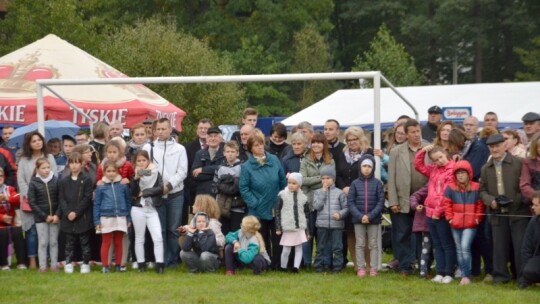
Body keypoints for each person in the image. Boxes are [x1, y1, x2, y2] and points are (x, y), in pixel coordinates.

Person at [480, 134, 529, 288]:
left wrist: (518, 199)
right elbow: (482, 191)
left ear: (504, 146)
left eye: (497, 146)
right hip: (497, 212)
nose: (494, 149)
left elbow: (527, 185)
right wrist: (491, 201)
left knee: (520, 247)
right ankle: (500, 277)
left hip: (518, 212)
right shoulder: (486, 168)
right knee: (499, 247)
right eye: (491, 147)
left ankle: (523, 278)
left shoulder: (519, 163)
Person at [142, 118, 188, 268]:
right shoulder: (148, 148)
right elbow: (141, 169)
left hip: (175, 194)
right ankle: (161, 260)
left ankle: (173, 260)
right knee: (159, 229)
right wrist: (155, 184)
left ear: (170, 130)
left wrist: (168, 186)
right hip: (156, 195)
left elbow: (182, 172)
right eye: (158, 129)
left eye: (163, 129)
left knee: (173, 230)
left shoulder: (180, 149)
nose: (160, 132)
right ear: (154, 131)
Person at [387, 119, 428, 277]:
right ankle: (405, 266)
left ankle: (422, 265)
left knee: (422, 235)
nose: (417, 135)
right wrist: (393, 201)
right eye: (413, 132)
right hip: (402, 199)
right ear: (406, 134)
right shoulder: (396, 151)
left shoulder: (428, 148)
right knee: (403, 234)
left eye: (418, 131)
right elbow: (391, 178)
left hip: (423, 200)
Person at [239, 132, 287, 268]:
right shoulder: (247, 166)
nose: (260, 147)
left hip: (276, 206)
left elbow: (283, 180)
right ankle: (264, 263)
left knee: (278, 237)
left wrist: (282, 199)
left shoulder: (274, 160)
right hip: (257, 209)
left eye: (261, 144)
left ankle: (278, 265)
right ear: (250, 148)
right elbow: (244, 188)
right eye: (256, 145)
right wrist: (255, 203)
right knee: (261, 238)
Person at [415, 144, 456, 284]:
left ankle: (449, 272)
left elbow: (447, 194)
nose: (440, 161)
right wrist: (422, 151)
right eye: (436, 159)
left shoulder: (452, 169)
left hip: (442, 213)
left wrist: (438, 212)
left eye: (441, 157)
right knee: (437, 244)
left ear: (446, 154)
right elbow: (418, 166)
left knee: (447, 244)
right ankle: (440, 272)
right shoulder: (433, 170)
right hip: (430, 211)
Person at [335, 126, 374, 271]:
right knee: (350, 231)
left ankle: (370, 265)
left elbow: (371, 174)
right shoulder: (342, 154)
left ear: (361, 138)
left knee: (365, 232)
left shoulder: (369, 153)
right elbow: (338, 174)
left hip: (364, 197)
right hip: (347, 198)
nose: (352, 142)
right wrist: (343, 186)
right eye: (349, 140)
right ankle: (358, 265)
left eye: (355, 139)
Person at [17, 131, 57, 269]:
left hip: (48, 201)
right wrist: (31, 196)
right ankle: (32, 259)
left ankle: (46, 260)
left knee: (47, 232)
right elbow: (21, 180)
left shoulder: (49, 157)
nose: (37, 143)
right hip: (30, 201)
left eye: (39, 140)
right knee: (32, 231)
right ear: (29, 144)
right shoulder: (24, 160)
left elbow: (54, 177)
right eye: (33, 141)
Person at [443, 160, 485, 285]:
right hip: (455, 223)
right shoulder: (450, 187)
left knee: (465, 247)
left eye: (463, 173)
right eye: (458, 173)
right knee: (459, 249)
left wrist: (477, 218)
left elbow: (480, 205)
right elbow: (447, 204)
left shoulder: (476, 187)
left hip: (471, 224)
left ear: (469, 174)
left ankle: (466, 275)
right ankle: (463, 273)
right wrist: (450, 218)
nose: (460, 175)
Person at [300, 132, 335, 269]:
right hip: (308, 202)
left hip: (325, 202)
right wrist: (321, 179)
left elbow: (331, 180)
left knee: (323, 236)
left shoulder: (330, 160)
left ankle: (324, 262)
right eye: (313, 142)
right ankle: (306, 263)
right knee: (308, 234)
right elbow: (302, 181)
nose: (316, 145)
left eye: (319, 142)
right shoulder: (305, 160)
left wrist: (314, 180)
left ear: (324, 144)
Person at [348, 154, 385, 278]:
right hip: (358, 219)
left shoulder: (378, 184)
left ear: (373, 168)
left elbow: (380, 202)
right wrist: (360, 216)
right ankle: (361, 268)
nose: (367, 168)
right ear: (360, 167)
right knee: (359, 243)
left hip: (373, 219)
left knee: (373, 244)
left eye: (369, 166)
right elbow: (351, 202)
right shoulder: (354, 184)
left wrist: (370, 216)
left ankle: (373, 268)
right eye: (364, 166)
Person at [94, 160, 133, 273]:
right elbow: (96, 204)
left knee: (118, 242)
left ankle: (118, 265)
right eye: (108, 171)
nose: (111, 173)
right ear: (104, 172)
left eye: (113, 171)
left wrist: (128, 218)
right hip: (106, 217)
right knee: (106, 242)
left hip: (121, 216)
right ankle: (105, 266)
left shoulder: (123, 185)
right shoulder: (100, 187)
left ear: (118, 171)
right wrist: (97, 221)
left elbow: (128, 202)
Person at [58, 152, 94, 274]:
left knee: (84, 241)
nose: (74, 166)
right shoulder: (64, 181)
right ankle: (68, 263)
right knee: (69, 242)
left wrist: (76, 213)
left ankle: (85, 263)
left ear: (81, 164)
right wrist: (68, 212)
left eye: (76, 162)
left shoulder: (86, 180)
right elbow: (61, 199)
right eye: (71, 163)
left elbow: (87, 198)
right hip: (68, 217)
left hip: (82, 216)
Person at [130, 150, 164, 273]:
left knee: (158, 237)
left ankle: (160, 264)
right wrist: (136, 179)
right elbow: (133, 194)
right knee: (139, 237)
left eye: (144, 160)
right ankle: (141, 264)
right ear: (135, 162)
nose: (141, 163)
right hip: (138, 208)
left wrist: (145, 192)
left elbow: (160, 188)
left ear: (148, 161)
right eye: (139, 161)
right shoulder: (134, 174)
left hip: (152, 208)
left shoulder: (155, 172)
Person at [312, 167, 348, 273]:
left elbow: (346, 208)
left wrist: (340, 214)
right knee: (321, 247)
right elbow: (317, 206)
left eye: (328, 178)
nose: (325, 181)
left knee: (337, 247)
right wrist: (323, 192)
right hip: (322, 224)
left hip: (336, 224)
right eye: (323, 178)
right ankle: (320, 266)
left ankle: (337, 267)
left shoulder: (339, 193)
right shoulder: (318, 192)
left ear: (333, 179)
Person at [28, 157, 60, 272]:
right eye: (43, 168)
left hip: (55, 218)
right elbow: (32, 202)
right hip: (41, 219)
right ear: (37, 169)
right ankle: (42, 266)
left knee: (54, 241)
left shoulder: (56, 181)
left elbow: (60, 199)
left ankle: (54, 265)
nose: (46, 170)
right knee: (42, 242)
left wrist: (57, 215)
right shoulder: (33, 183)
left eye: (48, 167)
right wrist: (44, 216)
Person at [275, 173, 309, 273]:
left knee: (299, 248)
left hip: (300, 227)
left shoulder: (303, 197)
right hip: (288, 226)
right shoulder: (282, 195)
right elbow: (277, 211)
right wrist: (278, 227)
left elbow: (306, 215)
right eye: (289, 182)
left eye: (294, 183)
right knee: (286, 249)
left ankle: (296, 267)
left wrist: (307, 231)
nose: (291, 185)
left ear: (299, 185)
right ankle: (283, 267)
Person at [214, 141, 244, 235]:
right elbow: (214, 188)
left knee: (236, 234)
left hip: (237, 206)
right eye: (228, 152)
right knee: (223, 233)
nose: (230, 154)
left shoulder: (242, 167)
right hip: (222, 207)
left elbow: (242, 187)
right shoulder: (219, 168)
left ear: (237, 153)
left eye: (232, 151)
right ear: (224, 153)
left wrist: (228, 184)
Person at [0, 167, 27, 270]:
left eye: (1, 176)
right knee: (2, 233)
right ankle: (3, 264)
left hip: (11, 221)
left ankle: (21, 262)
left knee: (18, 232)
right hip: (1, 223)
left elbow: (18, 199)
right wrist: (2, 218)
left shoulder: (9, 189)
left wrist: (7, 198)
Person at [191, 126, 225, 196]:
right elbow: (195, 175)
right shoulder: (199, 154)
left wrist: (203, 169)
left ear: (220, 139)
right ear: (206, 139)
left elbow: (225, 170)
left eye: (215, 136)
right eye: (210, 136)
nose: (213, 139)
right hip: (203, 194)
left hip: (221, 194)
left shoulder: (225, 153)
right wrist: (216, 173)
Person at [409, 185, 432, 279]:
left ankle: (441, 271)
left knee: (438, 249)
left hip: (439, 222)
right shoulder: (428, 187)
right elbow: (414, 196)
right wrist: (415, 205)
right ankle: (423, 271)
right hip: (426, 224)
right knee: (425, 249)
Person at [521, 191, 540, 286]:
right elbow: (526, 248)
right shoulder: (533, 221)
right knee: (529, 271)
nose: (533, 207)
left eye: (536, 205)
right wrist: (526, 279)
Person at [520, 133, 540, 203]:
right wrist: (536, 196)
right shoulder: (528, 162)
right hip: (535, 203)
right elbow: (524, 185)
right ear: (535, 148)